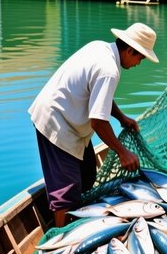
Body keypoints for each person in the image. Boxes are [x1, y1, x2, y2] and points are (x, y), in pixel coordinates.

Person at [29, 23, 159, 227]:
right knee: (68, 189)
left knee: (88, 177)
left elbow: (100, 98)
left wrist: (121, 117)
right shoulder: (109, 70)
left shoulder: (99, 47)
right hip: (57, 120)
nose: (138, 63)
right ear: (129, 50)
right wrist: (123, 153)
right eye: (140, 57)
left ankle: (75, 213)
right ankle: (60, 236)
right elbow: (98, 121)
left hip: (71, 119)